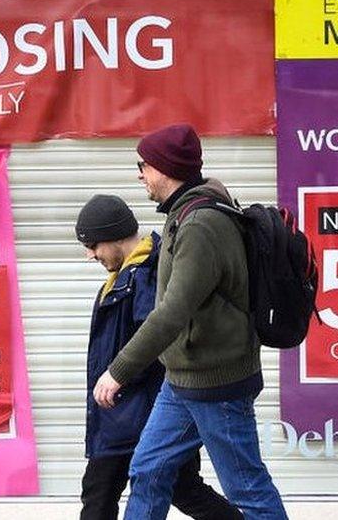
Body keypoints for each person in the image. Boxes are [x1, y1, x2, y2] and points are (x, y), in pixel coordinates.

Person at [92, 125, 288, 520]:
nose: (139, 174)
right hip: (182, 379)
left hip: (217, 382)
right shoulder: (183, 214)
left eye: (143, 165)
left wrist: (119, 371)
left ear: (164, 169)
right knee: (148, 470)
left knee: (246, 487)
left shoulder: (200, 225)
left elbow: (173, 309)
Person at [75, 194, 242, 520]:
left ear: (113, 235)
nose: (90, 254)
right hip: (124, 414)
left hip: (138, 413)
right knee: (174, 488)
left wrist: (118, 376)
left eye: (94, 245)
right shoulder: (127, 275)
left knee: (104, 495)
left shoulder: (148, 275)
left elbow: (157, 341)